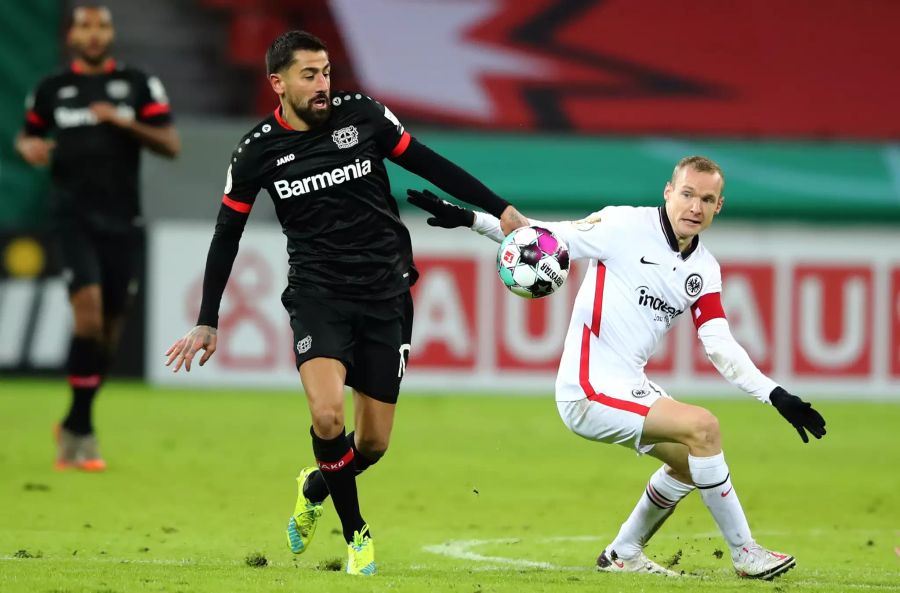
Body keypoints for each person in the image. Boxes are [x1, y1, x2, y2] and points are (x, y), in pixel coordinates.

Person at [163, 30, 526, 576]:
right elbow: (226, 235)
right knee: (327, 414)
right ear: (277, 83)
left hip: (386, 292)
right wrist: (207, 319)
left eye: (327, 71)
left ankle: (316, 484)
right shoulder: (257, 150)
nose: (323, 84)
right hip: (318, 295)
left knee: (374, 444)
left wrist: (502, 211)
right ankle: (357, 534)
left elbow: (428, 163)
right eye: (309, 75)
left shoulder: (364, 117)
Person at [406, 155, 826, 580]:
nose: (694, 207)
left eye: (706, 199)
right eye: (686, 195)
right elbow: (541, 237)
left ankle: (624, 552)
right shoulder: (622, 227)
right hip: (586, 389)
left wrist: (775, 394)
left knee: (688, 461)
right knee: (705, 428)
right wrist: (471, 218)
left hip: (629, 387)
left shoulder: (704, 269)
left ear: (720, 206)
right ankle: (745, 554)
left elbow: (719, 345)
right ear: (668, 192)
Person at [16, 5, 180, 471]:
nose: (93, 34)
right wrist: (30, 148)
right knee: (87, 320)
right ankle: (82, 435)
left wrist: (122, 121)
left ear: (110, 33)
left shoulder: (137, 84)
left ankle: (74, 420)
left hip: (122, 222)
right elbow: (28, 138)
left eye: (101, 25)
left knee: (109, 331)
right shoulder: (51, 89)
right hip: (73, 220)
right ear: (72, 34)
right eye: (85, 25)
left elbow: (171, 144)